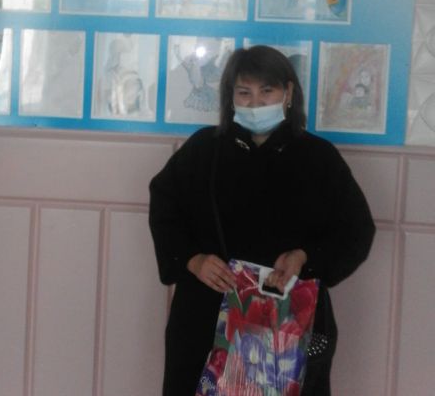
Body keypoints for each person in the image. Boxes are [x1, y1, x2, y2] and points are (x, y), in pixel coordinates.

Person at [149, 45, 375, 396]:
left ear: (288, 93)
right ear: (230, 97)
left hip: (291, 322)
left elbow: (357, 230)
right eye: (244, 93)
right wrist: (193, 260)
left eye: (266, 91)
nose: (255, 103)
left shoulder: (319, 158)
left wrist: (305, 258)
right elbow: (165, 208)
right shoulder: (203, 150)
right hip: (205, 317)